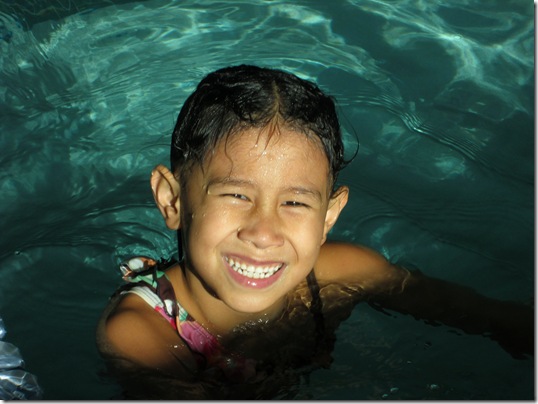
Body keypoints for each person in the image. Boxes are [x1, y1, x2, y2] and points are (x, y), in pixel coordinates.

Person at [96, 65, 533, 399]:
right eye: (236, 195)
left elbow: (487, 317)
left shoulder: (341, 273)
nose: (264, 233)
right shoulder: (139, 336)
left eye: (295, 203)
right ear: (172, 200)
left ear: (327, 217)